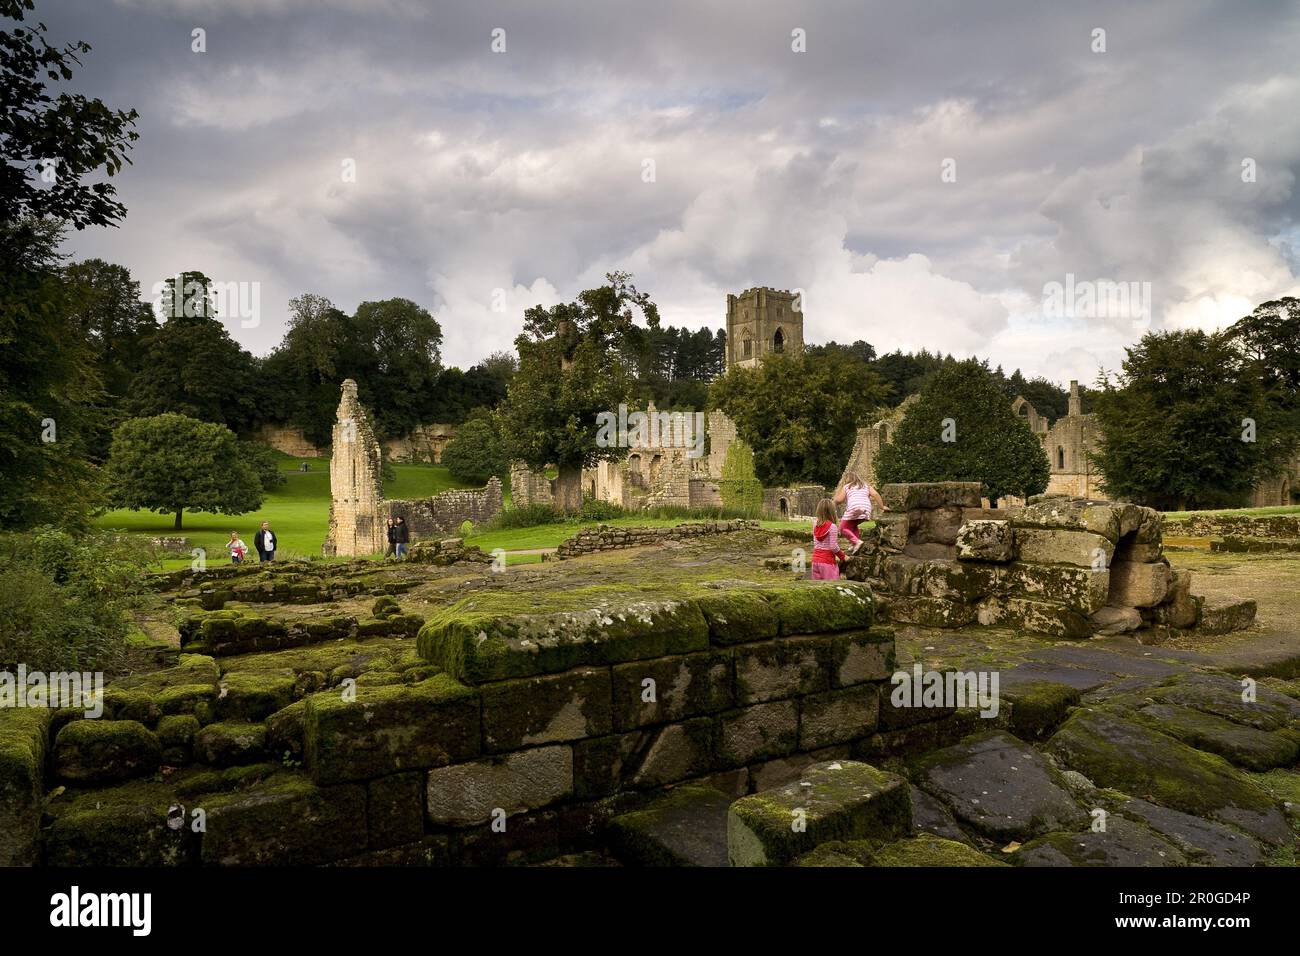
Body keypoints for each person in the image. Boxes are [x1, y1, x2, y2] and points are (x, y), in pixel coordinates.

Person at [834, 471, 887, 553]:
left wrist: (834, 500)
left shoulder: (847, 486)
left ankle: (857, 542)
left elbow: (839, 500)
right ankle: (854, 544)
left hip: (854, 508)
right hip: (866, 510)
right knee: (853, 525)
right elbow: (876, 494)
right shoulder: (866, 486)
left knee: (842, 528)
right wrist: (882, 506)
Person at [810, 498, 848, 580]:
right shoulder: (832, 527)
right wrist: (843, 556)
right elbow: (833, 546)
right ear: (832, 511)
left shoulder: (815, 524)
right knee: (833, 588)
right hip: (827, 562)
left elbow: (815, 542)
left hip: (815, 561)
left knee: (818, 588)